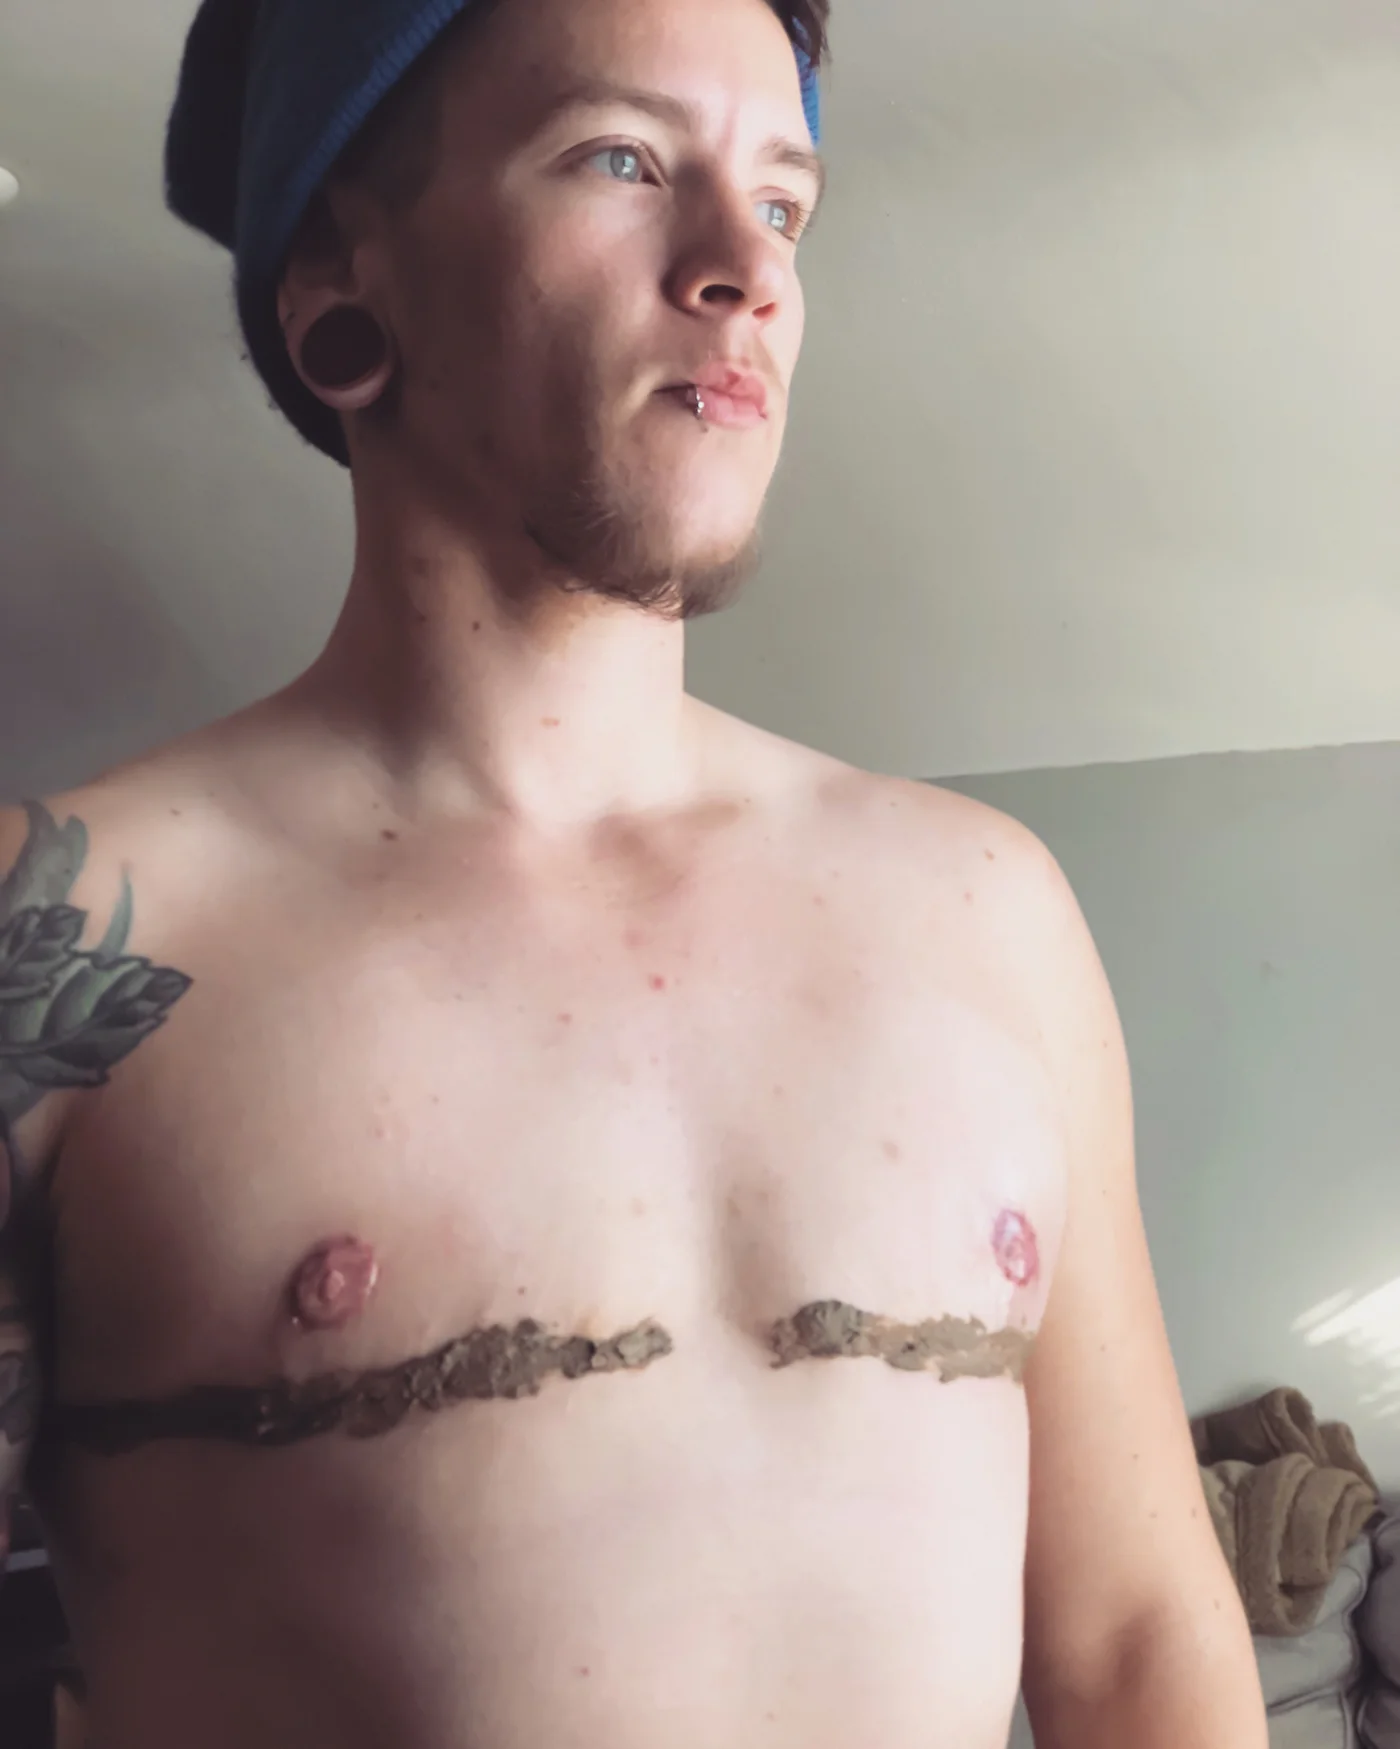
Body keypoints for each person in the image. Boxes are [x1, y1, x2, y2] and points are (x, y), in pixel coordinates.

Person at [0, 0, 1269, 1743]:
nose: (749, 267)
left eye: (787, 199)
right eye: (622, 158)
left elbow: (1132, 1638)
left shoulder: (990, 913)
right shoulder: (68, 936)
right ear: (339, 276)